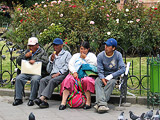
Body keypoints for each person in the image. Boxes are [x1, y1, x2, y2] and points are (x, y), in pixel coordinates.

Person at [34, 38, 72, 108]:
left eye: (57, 45)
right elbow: (48, 70)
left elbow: (68, 66)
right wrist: (51, 61)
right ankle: (44, 102)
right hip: (52, 74)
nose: (55, 47)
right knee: (43, 80)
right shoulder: (52, 56)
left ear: (61, 46)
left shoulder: (66, 54)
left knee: (52, 81)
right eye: (54, 45)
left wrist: (59, 73)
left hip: (62, 74)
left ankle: (41, 98)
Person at [59, 41, 97, 110]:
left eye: (85, 49)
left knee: (86, 80)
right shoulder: (76, 55)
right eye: (81, 49)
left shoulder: (91, 56)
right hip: (75, 74)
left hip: (86, 75)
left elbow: (94, 64)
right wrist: (74, 72)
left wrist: (85, 58)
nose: (83, 51)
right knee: (68, 79)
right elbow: (70, 64)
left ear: (88, 49)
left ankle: (88, 102)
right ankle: (63, 102)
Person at [13, 37, 48, 106]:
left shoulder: (42, 53)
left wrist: (36, 61)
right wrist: (25, 56)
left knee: (35, 80)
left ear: (37, 45)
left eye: (32, 46)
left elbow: (46, 64)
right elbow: (18, 62)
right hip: (26, 72)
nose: (31, 47)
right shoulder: (27, 52)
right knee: (18, 78)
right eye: (29, 46)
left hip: (37, 73)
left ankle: (32, 99)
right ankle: (18, 98)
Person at [94, 38, 126, 113]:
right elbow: (100, 70)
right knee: (97, 82)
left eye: (108, 46)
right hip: (103, 76)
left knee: (111, 83)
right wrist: (103, 79)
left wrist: (111, 76)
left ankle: (99, 104)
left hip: (113, 76)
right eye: (106, 45)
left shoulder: (118, 55)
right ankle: (102, 105)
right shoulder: (100, 56)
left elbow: (122, 69)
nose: (106, 47)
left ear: (113, 48)